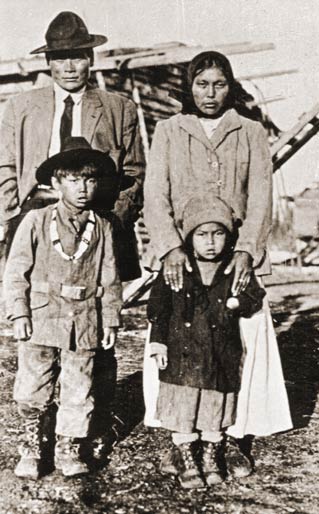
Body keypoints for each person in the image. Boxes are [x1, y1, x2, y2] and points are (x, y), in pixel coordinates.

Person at [143, 51, 292, 438]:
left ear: (231, 87)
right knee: (180, 334)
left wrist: (246, 250)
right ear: (190, 87)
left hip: (234, 256)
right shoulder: (170, 130)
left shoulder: (250, 131)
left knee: (240, 334)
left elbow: (261, 196)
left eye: (220, 84)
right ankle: (181, 429)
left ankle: (235, 428)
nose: (211, 93)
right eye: (202, 84)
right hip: (184, 255)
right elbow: (156, 195)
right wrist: (170, 248)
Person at [3, 137, 122, 479]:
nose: (82, 188)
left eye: (89, 179)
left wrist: (110, 320)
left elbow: (110, 278)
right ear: (56, 182)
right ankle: (31, 447)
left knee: (78, 386)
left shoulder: (102, 227)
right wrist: (20, 314)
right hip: (41, 318)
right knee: (32, 387)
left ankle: (68, 448)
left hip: (83, 321)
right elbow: (16, 272)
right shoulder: (37, 221)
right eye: (73, 179)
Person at [0, 10, 145, 282]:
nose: (68, 67)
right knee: (38, 303)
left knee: (99, 306)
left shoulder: (119, 108)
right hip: (37, 210)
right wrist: (11, 216)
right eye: (59, 58)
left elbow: (134, 173)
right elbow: (5, 166)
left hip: (99, 213)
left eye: (77, 57)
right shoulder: (21, 107)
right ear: (47, 61)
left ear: (90, 59)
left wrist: (115, 220)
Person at [147, 195, 266, 489]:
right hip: (181, 354)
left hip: (219, 355)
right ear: (189, 238)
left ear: (229, 237)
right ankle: (188, 458)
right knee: (183, 407)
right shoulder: (177, 269)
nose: (210, 242)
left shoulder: (234, 270)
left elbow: (255, 297)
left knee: (215, 408)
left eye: (218, 234)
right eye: (202, 235)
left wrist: (238, 302)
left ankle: (211, 455)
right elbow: (158, 310)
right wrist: (159, 343)